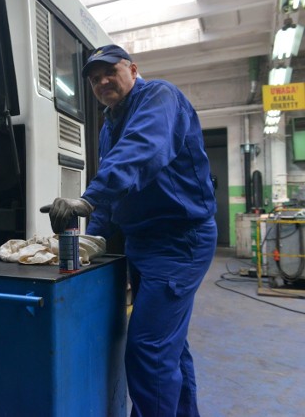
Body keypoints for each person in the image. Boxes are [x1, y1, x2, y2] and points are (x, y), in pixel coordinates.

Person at [41, 45, 216, 416]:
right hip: (142, 242)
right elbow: (112, 201)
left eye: (110, 71)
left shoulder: (159, 97)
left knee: (148, 349)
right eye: (94, 77)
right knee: (169, 346)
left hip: (179, 241)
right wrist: (92, 240)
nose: (102, 81)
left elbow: (141, 152)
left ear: (133, 69)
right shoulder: (110, 125)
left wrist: (87, 199)